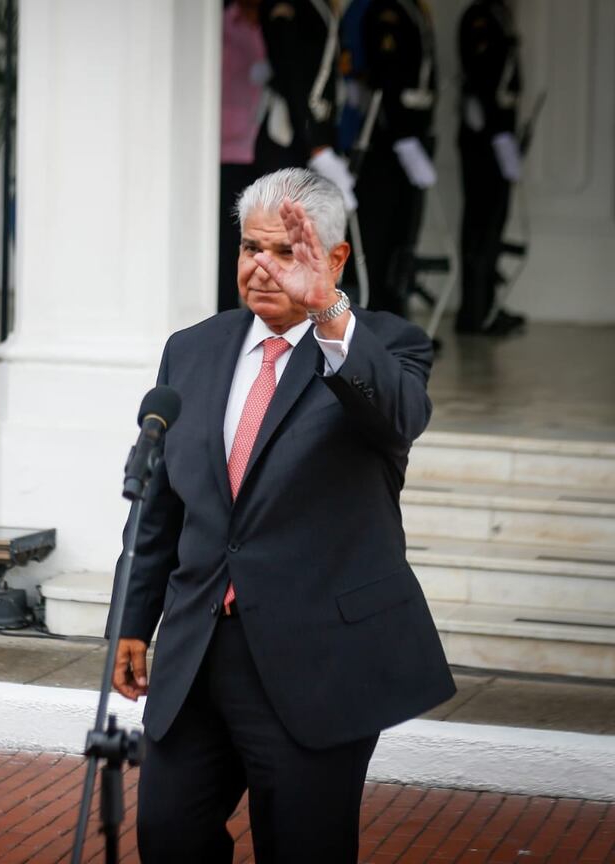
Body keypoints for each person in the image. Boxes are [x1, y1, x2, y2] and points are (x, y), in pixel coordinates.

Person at [113, 168, 455, 862]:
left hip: (316, 661)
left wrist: (329, 312)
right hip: (199, 652)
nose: (262, 267)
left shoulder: (387, 346)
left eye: (286, 251)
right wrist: (132, 622)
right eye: (250, 249)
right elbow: (164, 506)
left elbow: (400, 415)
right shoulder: (194, 349)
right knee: (167, 836)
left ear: (333, 259)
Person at [348, 0, 438, 317]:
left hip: (410, 138)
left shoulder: (411, 8)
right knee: (379, 239)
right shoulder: (386, 11)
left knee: (403, 235)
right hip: (387, 143)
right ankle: (375, 323)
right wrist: (403, 140)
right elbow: (387, 76)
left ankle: (395, 320)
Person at [456, 0, 526, 335]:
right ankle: (474, 311)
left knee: (493, 226)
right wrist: (499, 137)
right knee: (480, 225)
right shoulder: (480, 17)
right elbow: (483, 78)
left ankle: (486, 305)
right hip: (485, 141)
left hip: (498, 137)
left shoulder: (500, 16)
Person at [255, 0, 358, 211]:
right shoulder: (296, 6)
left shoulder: (321, 6)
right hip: (292, 134)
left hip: (313, 133)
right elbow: (295, 74)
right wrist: (318, 145)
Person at [219, 0, 268, 312]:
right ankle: (225, 312)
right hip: (227, 147)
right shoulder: (224, 22)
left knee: (262, 238)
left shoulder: (273, 19)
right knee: (227, 241)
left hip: (264, 144)